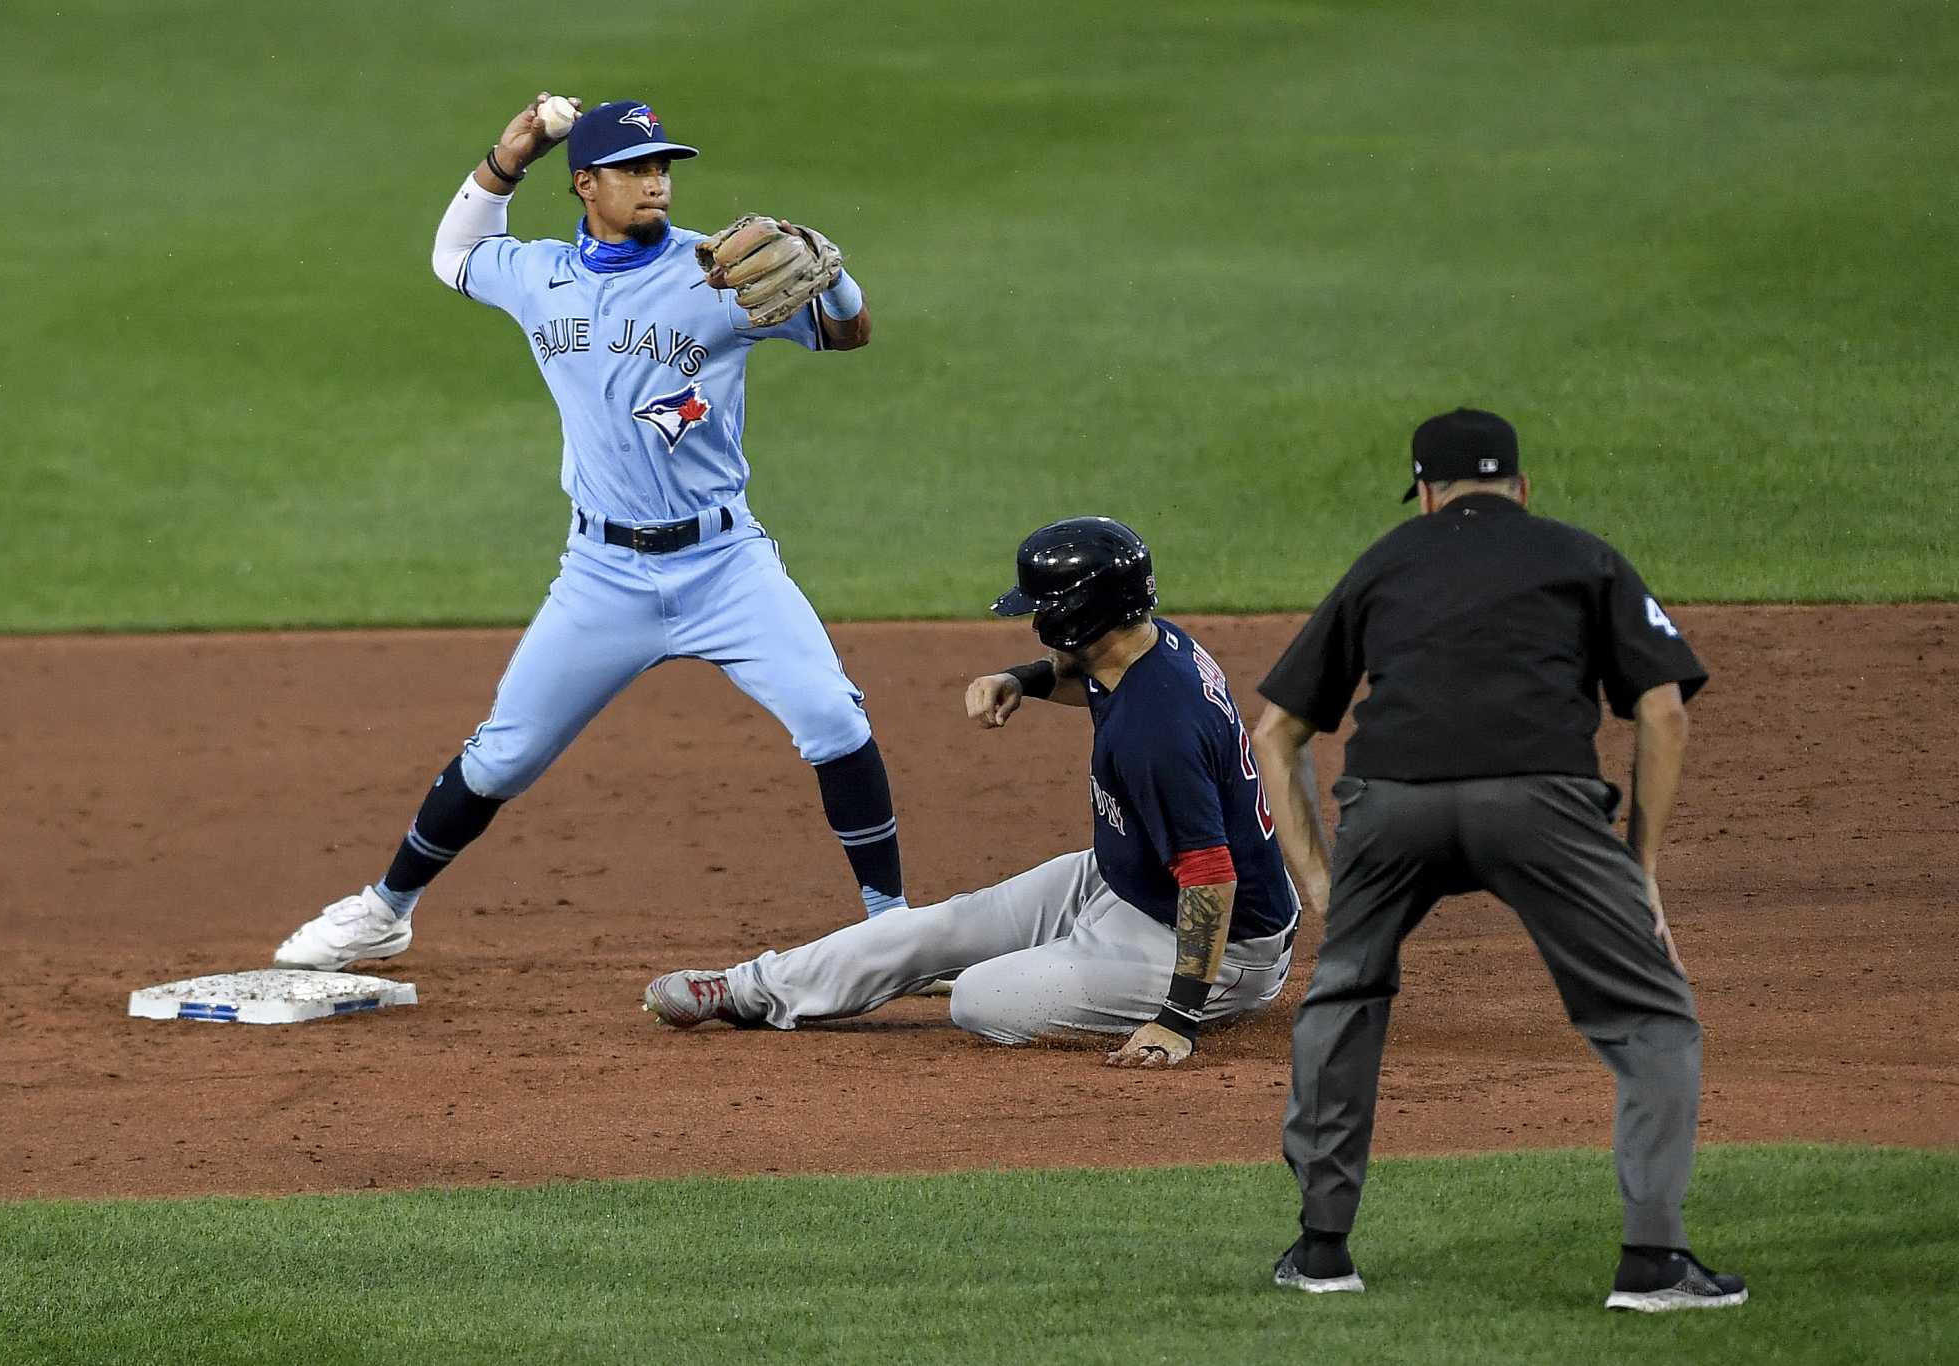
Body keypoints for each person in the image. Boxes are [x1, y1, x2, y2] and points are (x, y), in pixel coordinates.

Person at [274, 92, 906, 971]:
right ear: (585, 185)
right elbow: (453, 253)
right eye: (636, 170)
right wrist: (508, 153)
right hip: (602, 576)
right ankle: (386, 909)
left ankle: (894, 925)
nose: (657, 185)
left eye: (664, 170)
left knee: (833, 720)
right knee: (501, 759)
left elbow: (849, 335)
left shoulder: (716, 274)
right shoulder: (535, 274)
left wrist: (833, 276)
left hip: (726, 563)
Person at [1249, 408, 1743, 1310]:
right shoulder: (1581, 553)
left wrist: (1321, 880)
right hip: (1541, 803)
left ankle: (1321, 1251)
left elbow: (1278, 731)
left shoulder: (1388, 558)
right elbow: (1662, 709)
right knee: (1653, 1015)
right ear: (1521, 487)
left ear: (1429, 495)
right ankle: (1654, 1264)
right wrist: (1640, 868)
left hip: (1391, 804)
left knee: (1345, 996)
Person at [641, 518, 1299, 1063]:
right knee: (940, 928)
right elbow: (1087, 679)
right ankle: (744, 990)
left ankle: (1111, 983)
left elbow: (1211, 877)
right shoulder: (1148, 644)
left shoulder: (1158, 730)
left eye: (1043, 606)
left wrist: (1177, 1022)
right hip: (1125, 881)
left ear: (1077, 615)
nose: (1035, 617)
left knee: (979, 1000)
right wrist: (1023, 680)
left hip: (1217, 941)